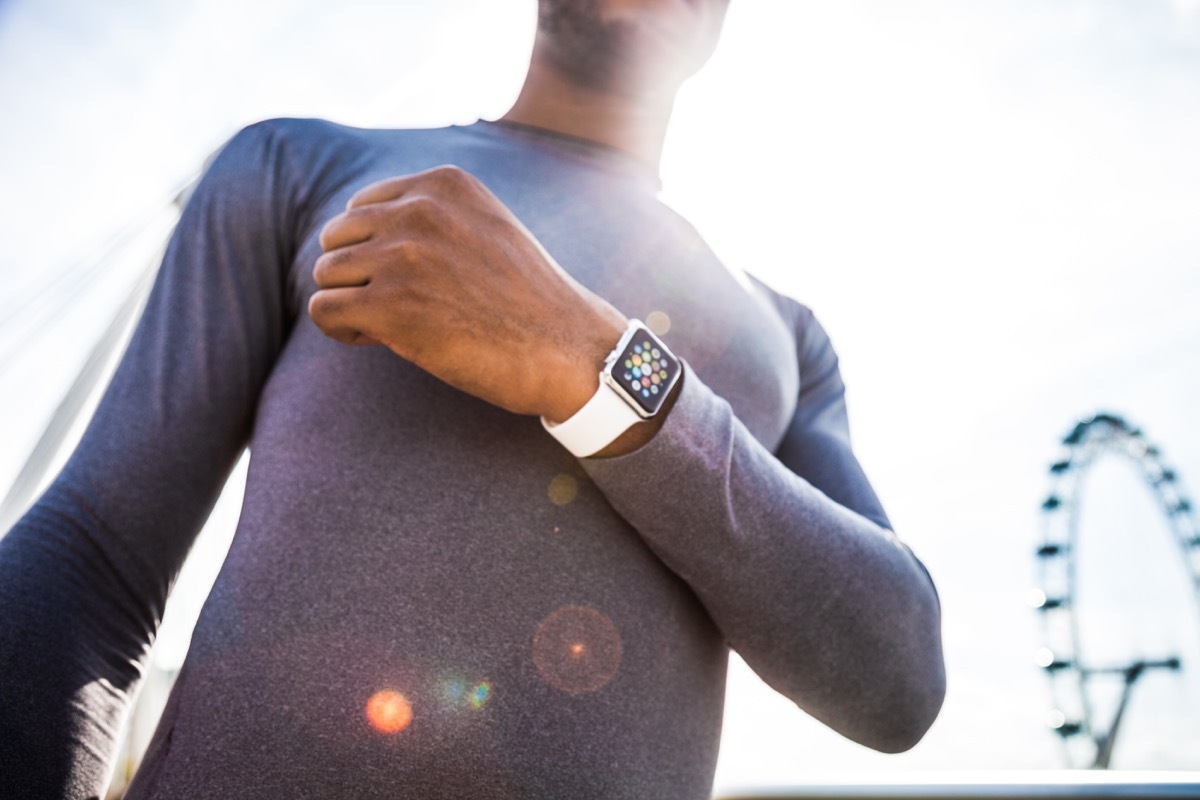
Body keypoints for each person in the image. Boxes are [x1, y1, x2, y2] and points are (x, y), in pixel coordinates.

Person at [0, 1, 946, 797]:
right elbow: (95, 555)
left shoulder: (792, 336)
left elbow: (899, 680)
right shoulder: (295, 166)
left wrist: (593, 360)